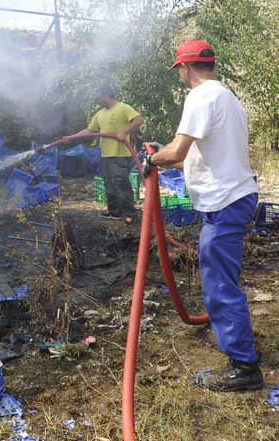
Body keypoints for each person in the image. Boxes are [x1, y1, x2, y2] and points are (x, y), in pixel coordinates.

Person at [147, 39, 263, 391]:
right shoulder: (227, 97)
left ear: (185, 68)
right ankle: (241, 353)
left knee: (220, 285)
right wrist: (162, 156)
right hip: (232, 198)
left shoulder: (199, 97)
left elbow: (176, 151)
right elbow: (194, 156)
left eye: (179, 70)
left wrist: (151, 159)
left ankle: (244, 369)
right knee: (219, 279)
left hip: (226, 202)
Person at [75, 85, 144, 220]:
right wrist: (71, 137)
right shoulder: (100, 114)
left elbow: (139, 120)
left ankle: (130, 215)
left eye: (98, 96)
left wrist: (124, 132)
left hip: (120, 154)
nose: (96, 99)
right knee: (109, 185)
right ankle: (115, 212)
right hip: (105, 155)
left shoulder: (123, 107)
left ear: (106, 95)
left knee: (121, 184)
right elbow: (89, 131)